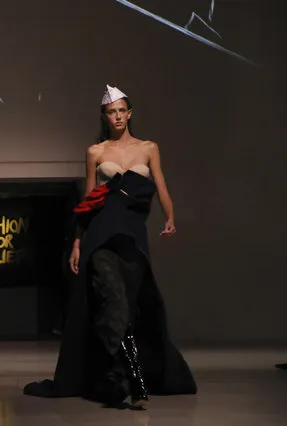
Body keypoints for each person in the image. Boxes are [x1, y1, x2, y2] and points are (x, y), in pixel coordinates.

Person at [23, 85, 196, 409]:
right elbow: (88, 201)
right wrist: (77, 242)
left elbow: (161, 187)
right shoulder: (96, 152)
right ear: (105, 116)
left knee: (130, 306)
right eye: (111, 112)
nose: (117, 116)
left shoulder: (149, 148)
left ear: (129, 113)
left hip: (133, 238)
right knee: (113, 301)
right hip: (101, 237)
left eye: (121, 110)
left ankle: (126, 378)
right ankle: (126, 380)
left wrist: (170, 216)